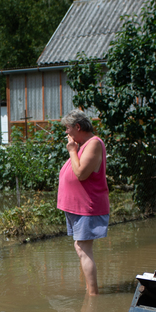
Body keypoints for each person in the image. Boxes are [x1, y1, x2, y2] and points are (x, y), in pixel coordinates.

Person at [57, 109, 109, 296]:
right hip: (77, 206)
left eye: (68, 129)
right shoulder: (84, 145)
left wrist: (72, 151)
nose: (67, 133)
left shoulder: (94, 144)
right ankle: (90, 289)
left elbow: (80, 173)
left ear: (78, 127)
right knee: (80, 247)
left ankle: (93, 295)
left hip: (87, 206)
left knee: (83, 249)